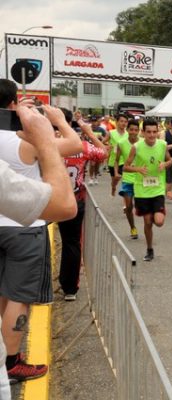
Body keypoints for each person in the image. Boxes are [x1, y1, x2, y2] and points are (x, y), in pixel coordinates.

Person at [0, 79, 83, 384]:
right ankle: (11, 361)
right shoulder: (25, 138)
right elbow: (74, 145)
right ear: (13, 104)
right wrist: (58, 121)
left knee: (2, 291)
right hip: (26, 224)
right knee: (18, 296)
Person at [58, 111, 107, 302]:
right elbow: (103, 153)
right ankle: (69, 287)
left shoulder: (47, 142)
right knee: (72, 242)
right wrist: (90, 133)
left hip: (48, 197)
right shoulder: (82, 145)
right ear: (70, 123)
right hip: (74, 200)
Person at [123, 119, 171, 261]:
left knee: (159, 222)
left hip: (157, 189)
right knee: (148, 222)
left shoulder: (163, 145)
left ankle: (157, 213)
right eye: (148, 132)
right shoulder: (136, 147)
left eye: (154, 132)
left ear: (158, 132)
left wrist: (165, 164)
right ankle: (150, 249)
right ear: (143, 132)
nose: (151, 135)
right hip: (141, 190)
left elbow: (170, 161)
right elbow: (125, 167)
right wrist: (138, 169)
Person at [115, 119, 141, 239]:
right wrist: (116, 172)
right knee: (129, 206)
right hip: (127, 177)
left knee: (142, 205)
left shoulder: (143, 142)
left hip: (141, 178)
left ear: (139, 131)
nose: (133, 132)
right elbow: (116, 160)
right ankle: (133, 228)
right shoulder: (121, 143)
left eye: (136, 130)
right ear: (127, 130)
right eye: (131, 130)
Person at [103, 114, 128, 196]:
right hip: (113, 160)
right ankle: (113, 187)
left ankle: (126, 193)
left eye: (125, 122)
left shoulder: (128, 134)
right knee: (115, 179)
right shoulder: (111, 133)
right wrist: (107, 147)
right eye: (121, 121)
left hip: (124, 160)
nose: (123, 123)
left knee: (125, 178)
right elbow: (102, 142)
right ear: (117, 122)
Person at [87, 115, 107, 186]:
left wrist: (101, 137)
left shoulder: (101, 130)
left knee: (97, 164)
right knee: (92, 164)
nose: (94, 123)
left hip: (99, 149)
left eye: (95, 121)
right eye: (92, 121)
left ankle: (95, 177)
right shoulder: (88, 129)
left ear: (97, 122)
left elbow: (105, 138)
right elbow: (83, 136)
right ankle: (91, 178)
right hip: (91, 148)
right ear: (91, 122)